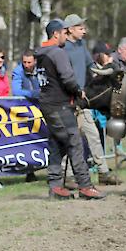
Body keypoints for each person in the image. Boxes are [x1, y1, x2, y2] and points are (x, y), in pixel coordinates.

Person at [34, 19, 105, 200]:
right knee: (75, 143)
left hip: (48, 104)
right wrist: (78, 91)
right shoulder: (57, 53)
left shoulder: (41, 53)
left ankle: (55, 186)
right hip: (60, 105)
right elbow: (67, 77)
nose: (66, 36)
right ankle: (85, 186)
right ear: (56, 34)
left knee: (57, 144)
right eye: (65, 33)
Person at [63, 14, 119, 186]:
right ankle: (69, 176)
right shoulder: (63, 47)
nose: (84, 31)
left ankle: (103, 172)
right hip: (68, 101)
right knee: (70, 140)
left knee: (93, 136)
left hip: (82, 101)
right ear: (70, 29)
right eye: (80, 28)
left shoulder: (82, 45)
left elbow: (92, 68)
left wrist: (108, 70)